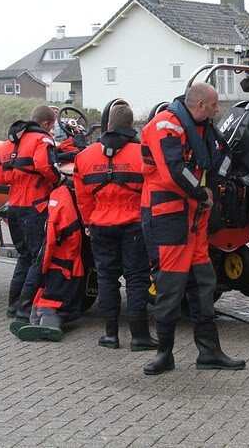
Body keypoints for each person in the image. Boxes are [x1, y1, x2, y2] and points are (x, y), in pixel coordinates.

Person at [139, 82, 244, 375]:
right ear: (199, 106)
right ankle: (164, 354)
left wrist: (210, 192)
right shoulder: (165, 125)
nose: (217, 109)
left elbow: (221, 159)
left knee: (203, 285)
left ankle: (209, 353)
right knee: (170, 287)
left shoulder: (203, 128)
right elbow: (174, 171)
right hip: (167, 215)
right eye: (214, 105)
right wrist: (202, 194)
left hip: (194, 216)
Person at [73, 103, 156, 352]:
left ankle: (111, 335)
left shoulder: (84, 156)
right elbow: (153, 189)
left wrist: (88, 222)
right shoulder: (143, 153)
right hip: (134, 225)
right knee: (137, 278)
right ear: (131, 125)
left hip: (100, 224)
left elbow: (83, 197)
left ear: (108, 125)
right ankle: (139, 337)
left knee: (106, 278)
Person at [0, 105, 61, 326]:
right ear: (47, 124)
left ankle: (13, 305)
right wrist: (56, 179)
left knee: (23, 256)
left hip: (14, 207)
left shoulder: (7, 144)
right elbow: (45, 165)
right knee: (36, 258)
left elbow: (0, 178)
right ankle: (25, 309)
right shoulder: (42, 140)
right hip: (36, 207)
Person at [14, 178, 86, 342]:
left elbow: (51, 239)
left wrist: (42, 267)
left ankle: (40, 323)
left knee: (50, 297)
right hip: (66, 259)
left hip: (62, 259)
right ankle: (38, 322)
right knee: (49, 296)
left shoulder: (57, 197)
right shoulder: (65, 197)